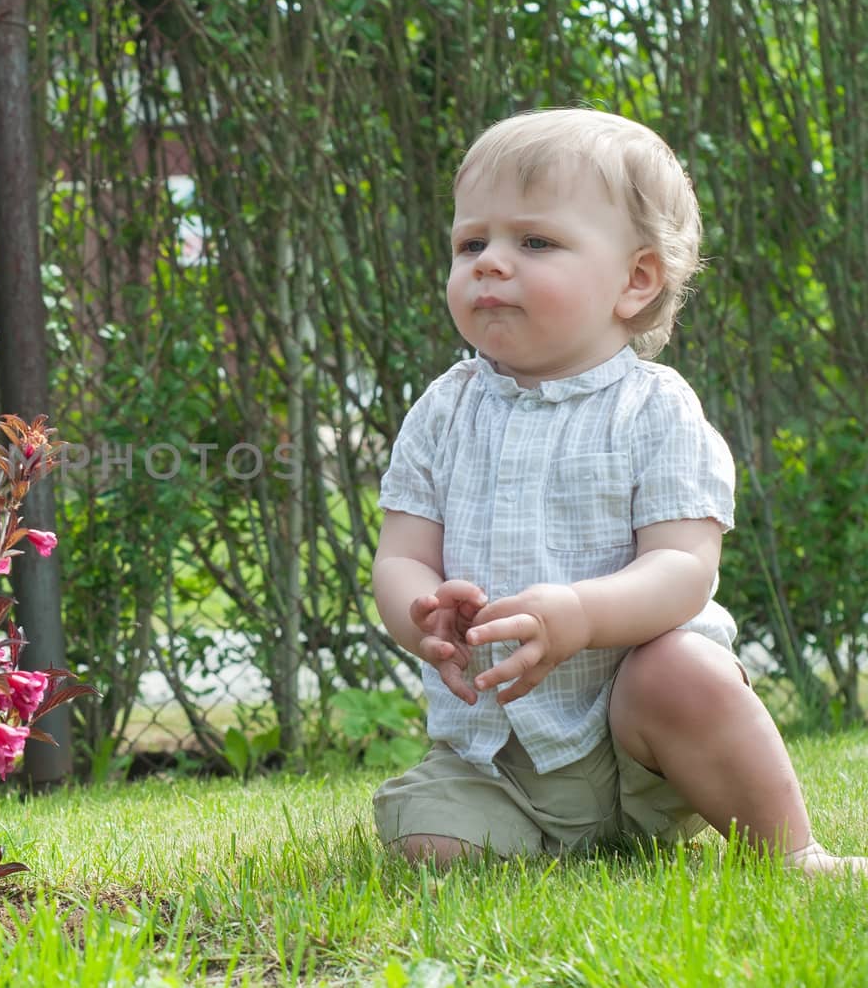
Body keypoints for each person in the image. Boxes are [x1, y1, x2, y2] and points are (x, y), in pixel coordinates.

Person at [370, 107, 865, 874]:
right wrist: (422, 611)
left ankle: (794, 851)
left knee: (682, 668)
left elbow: (684, 569)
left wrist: (580, 613)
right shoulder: (444, 409)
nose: (490, 262)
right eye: (472, 242)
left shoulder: (655, 409)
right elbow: (401, 553)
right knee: (427, 844)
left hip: (645, 735)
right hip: (500, 753)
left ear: (635, 279)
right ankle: (543, 832)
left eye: (534, 241)